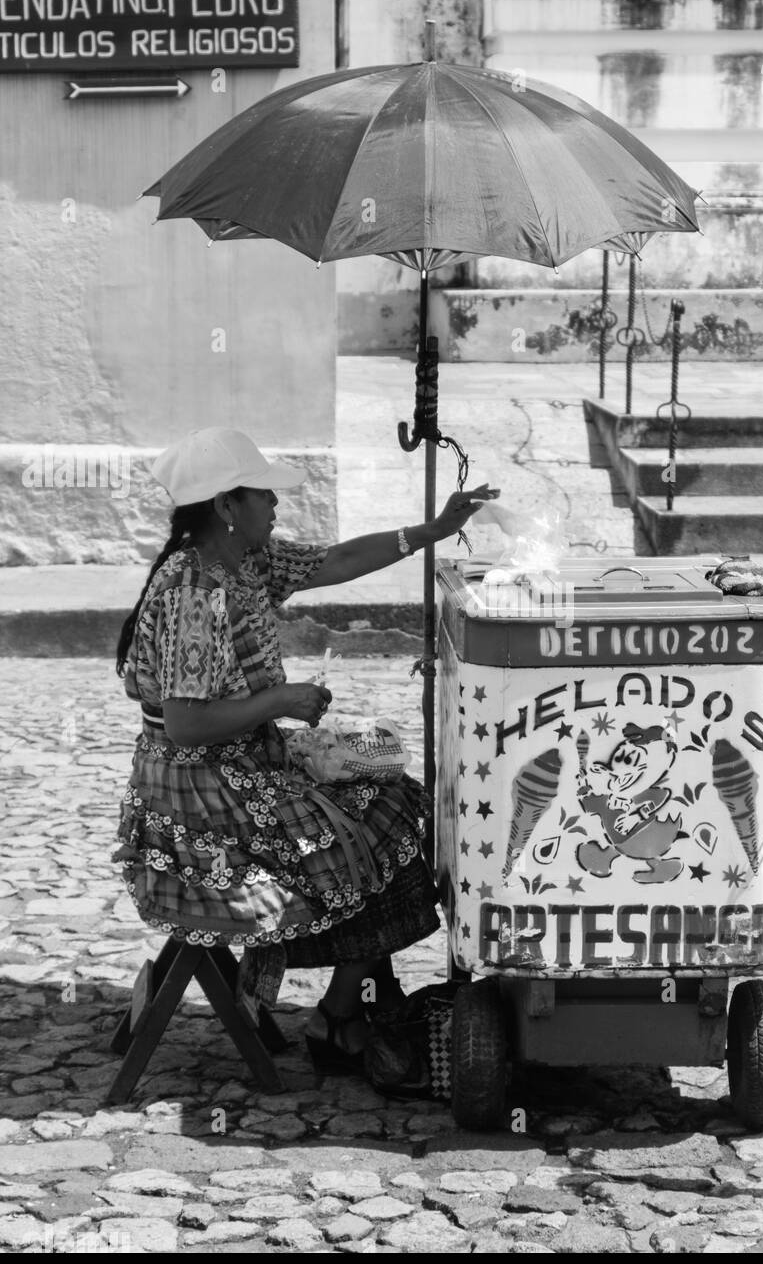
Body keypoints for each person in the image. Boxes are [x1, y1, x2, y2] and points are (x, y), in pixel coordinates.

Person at [113, 427, 496, 1075]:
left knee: (384, 773)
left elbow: (336, 562)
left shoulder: (246, 561)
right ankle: (340, 1013)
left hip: (245, 762)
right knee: (386, 819)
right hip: (204, 794)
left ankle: (351, 1002)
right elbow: (184, 722)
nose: (276, 503)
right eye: (264, 493)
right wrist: (280, 702)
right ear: (227, 506)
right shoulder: (194, 589)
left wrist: (431, 532)